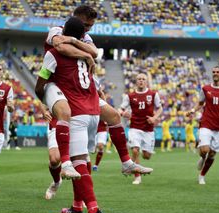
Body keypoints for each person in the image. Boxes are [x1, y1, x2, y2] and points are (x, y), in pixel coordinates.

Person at [41, 5, 153, 179]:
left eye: (90, 27)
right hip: (63, 88)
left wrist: (77, 43)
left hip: (83, 88)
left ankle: (126, 163)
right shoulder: (56, 30)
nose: (87, 30)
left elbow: (95, 52)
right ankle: (66, 168)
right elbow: (59, 46)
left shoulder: (84, 37)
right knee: (71, 156)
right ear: (75, 19)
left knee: (114, 116)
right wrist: (85, 54)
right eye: (85, 25)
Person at [36, 17, 104, 213]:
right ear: (82, 36)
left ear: (63, 31)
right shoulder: (88, 56)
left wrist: (45, 100)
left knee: (77, 163)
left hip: (74, 115)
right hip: (91, 111)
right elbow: (94, 59)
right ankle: (77, 206)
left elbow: (42, 82)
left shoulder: (53, 54)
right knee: (82, 159)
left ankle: (93, 211)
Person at [187, 66, 219, 185]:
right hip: (206, 122)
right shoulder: (205, 88)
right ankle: (202, 156)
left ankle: (202, 176)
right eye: (214, 72)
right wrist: (193, 110)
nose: (215, 73)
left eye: (218, 72)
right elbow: (200, 103)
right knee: (205, 150)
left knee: (212, 154)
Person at [119, 73, 163, 185]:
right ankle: (137, 176)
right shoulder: (129, 96)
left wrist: (154, 118)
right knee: (135, 150)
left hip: (148, 129)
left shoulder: (153, 94)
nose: (141, 81)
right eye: (139, 79)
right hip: (135, 127)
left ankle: (133, 166)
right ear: (136, 81)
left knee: (147, 156)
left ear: (146, 81)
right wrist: (124, 113)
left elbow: (160, 109)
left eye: (143, 79)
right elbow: (120, 109)